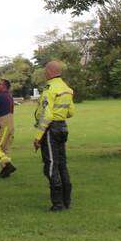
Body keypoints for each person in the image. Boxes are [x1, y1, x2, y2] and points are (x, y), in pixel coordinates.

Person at [33, 60, 76, 211]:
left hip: (51, 130)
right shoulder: (67, 89)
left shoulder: (49, 89)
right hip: (62, 127)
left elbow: (47, 115)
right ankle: (66, 200)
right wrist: (60, 114)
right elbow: (71, 112)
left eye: (45, 71)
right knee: (62, 164)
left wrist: (38, 136)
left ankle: (57, 204)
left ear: (50, 72)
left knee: (51, 165)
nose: (44, 73)